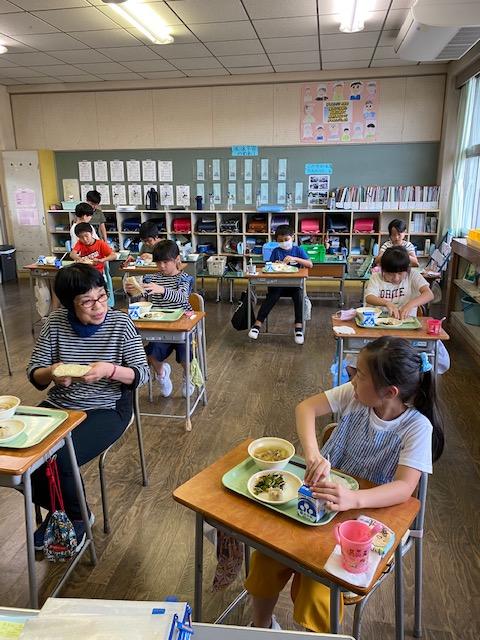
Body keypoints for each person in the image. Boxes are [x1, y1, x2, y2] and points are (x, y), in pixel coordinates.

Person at [245, 336, 444, 633]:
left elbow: (404, 488)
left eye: (360, 374)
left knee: (318, 584)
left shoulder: (417, 428)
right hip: (320, 505)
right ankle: (261, 628)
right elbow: (305, 408)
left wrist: (354, 498)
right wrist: (313, 456)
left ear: (389, 392)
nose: (351, 377)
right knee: (266, 557)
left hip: (367, 521)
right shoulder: (356, 394)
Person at [27, 264, 149, 552]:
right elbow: (35, 374)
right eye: (87, 301)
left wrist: (109, 370)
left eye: (102, 296)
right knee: (26, 457)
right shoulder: (54, 323)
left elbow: (142, 374)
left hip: (107, 406)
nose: (99, 306)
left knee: (60, 458)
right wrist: (52, 372)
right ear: (69, 303)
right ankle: (62, 510)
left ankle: (78, 517)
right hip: (60, 403)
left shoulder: (120, 323)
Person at [125, 239, 193, 398]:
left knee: (185, 354)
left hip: (181, 326)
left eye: (165, 262)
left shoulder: (184, 278)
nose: (161, 266)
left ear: (177, 260)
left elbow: (182, 297)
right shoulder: (150, 278)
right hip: (158, 325)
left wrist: (161, 290)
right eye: (158, 263)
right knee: (151, 353)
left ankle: (187, 376)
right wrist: (132, 291)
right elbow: (141, 298)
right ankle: (162, 374)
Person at [248, 225, 312, 345]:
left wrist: (295, 258)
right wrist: (275, 264)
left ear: (293, 237)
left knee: (299, 296)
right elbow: (268, 266)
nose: (284, 243)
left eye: (286, 239)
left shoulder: (298, 250)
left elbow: (310, 264)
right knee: (271, 296)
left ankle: (298, 327)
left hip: (294, 286)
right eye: (280, 241)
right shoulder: (276, 251)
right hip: (277, 285)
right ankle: (257, 325)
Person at [365, 246, 433, 319]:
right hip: (381, 321)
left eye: (400, 274)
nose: (396, 278)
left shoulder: (412, 275)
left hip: (407, 321)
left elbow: (429, 294)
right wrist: (386, 303)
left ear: (408, 269)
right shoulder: (376, 277)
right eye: (390, 274)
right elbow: (369, 297)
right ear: (382, 270)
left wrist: (410, 305)